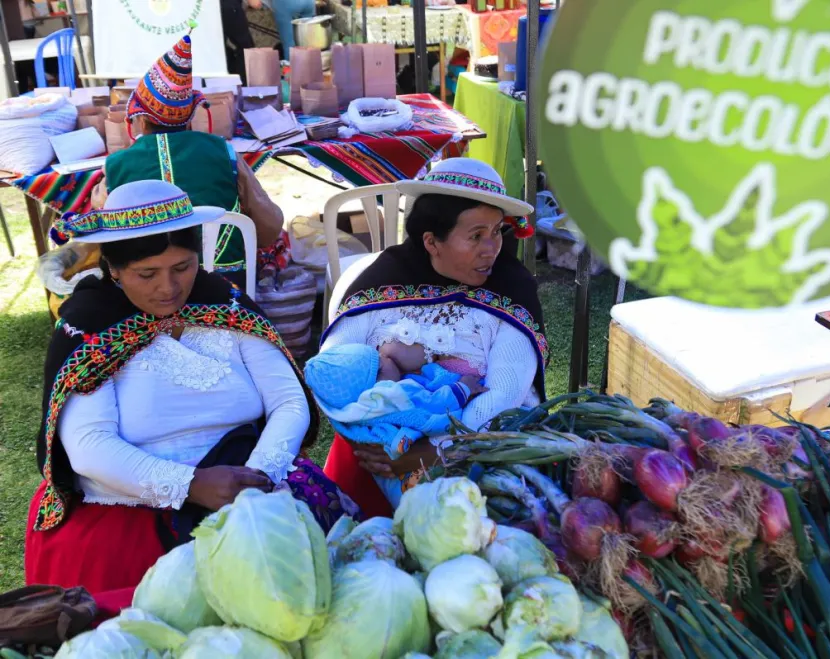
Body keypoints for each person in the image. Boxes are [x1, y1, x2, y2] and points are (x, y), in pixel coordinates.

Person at [26, 180, 358, 604]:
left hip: (256, 478)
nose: (169, 287)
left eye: (182, 267)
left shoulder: (224, 305)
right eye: (147, 274)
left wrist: (256, 480)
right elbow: (89, 446)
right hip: (132, 506)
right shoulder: (91, 326)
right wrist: (190, 485)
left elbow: (288, 401)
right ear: (113, 269)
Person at [317, 158, 546, 517]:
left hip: (479, 454)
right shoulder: (382, 282)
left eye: (497, 231)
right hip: (373, 455)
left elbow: (504, 393)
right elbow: (334, 365)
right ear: (431, 241)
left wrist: (437, 450)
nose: (492, 249)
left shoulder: (512, 291)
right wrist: (381, 440)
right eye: (476, 236)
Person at [90, 34, 283, 291]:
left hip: (151, 295)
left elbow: (107, 231)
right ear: (190, 118)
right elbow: (270, 229)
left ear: (142, 120)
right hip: (226, 287)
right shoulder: (224, 152)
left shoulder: (116, 165)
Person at [306, 343, 486, 506]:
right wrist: (464, 387)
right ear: (378, 380)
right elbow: (436, 403)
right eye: (381, 361)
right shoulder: (393, 394)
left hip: (393, 479)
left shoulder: (357, 416)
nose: (386, 357)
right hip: (427, 462)